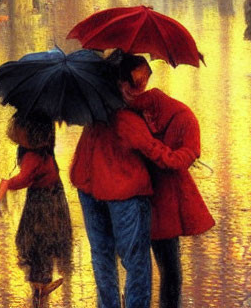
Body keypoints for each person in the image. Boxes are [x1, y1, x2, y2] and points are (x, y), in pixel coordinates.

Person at [69, 56, 197, 308]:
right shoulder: (127, 120)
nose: (140, 90)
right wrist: (188, 153)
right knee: (136, 262)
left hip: (90, 190)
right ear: (121, 82)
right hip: (125, 193)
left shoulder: (94, 112)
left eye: (144, 82)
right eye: (136, 83)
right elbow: (162, 156)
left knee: (102, 257)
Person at [123, 58, 215, 308]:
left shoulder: (129, 110)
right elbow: (189, 152)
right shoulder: (134, 112)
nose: (134, 91)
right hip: (147, 197)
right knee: (165, 267)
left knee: (146, 265)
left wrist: (168, 157)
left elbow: (185, 152)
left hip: (148, 198)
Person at [0, 112, 73, 308]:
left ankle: (39, 289)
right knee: (43, 245)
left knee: (39, 244)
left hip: (42, 204)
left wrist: (6, 184)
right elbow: (27, 176)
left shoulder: (33, 155)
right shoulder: (43, 148)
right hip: (50, 198)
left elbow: (24, 178)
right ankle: (40, 288)